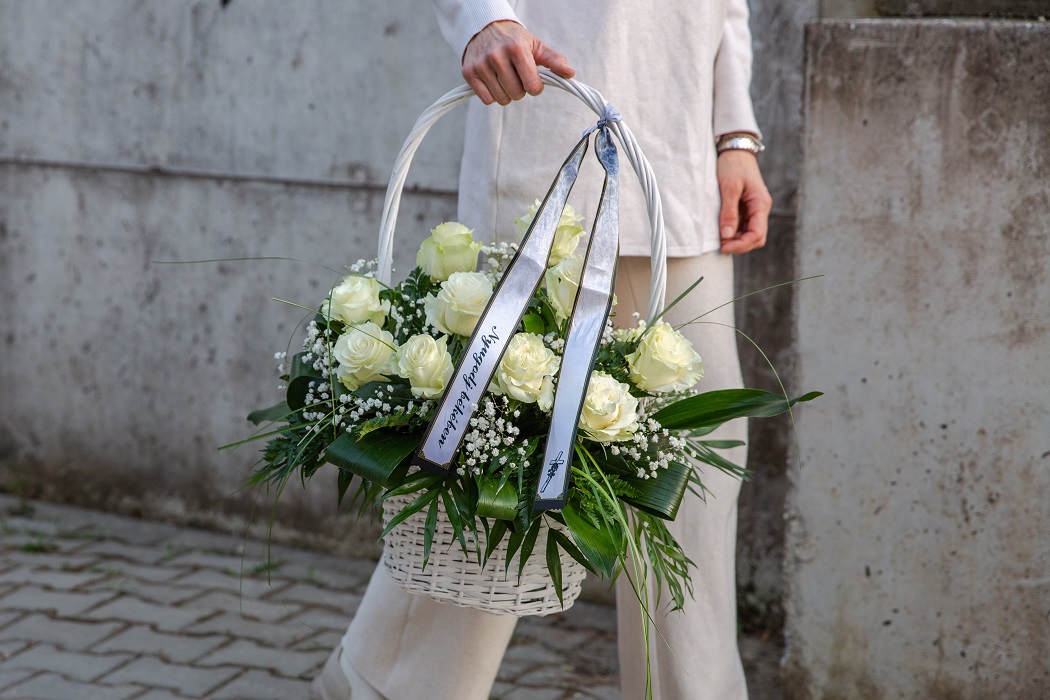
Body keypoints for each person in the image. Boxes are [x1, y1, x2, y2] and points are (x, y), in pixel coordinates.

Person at [311, 1, 770, 698]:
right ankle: (380, 685)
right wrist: (481, 17)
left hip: (680, 167)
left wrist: (735, 134)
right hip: (542, 127)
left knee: (694, 487)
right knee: (498, 467)